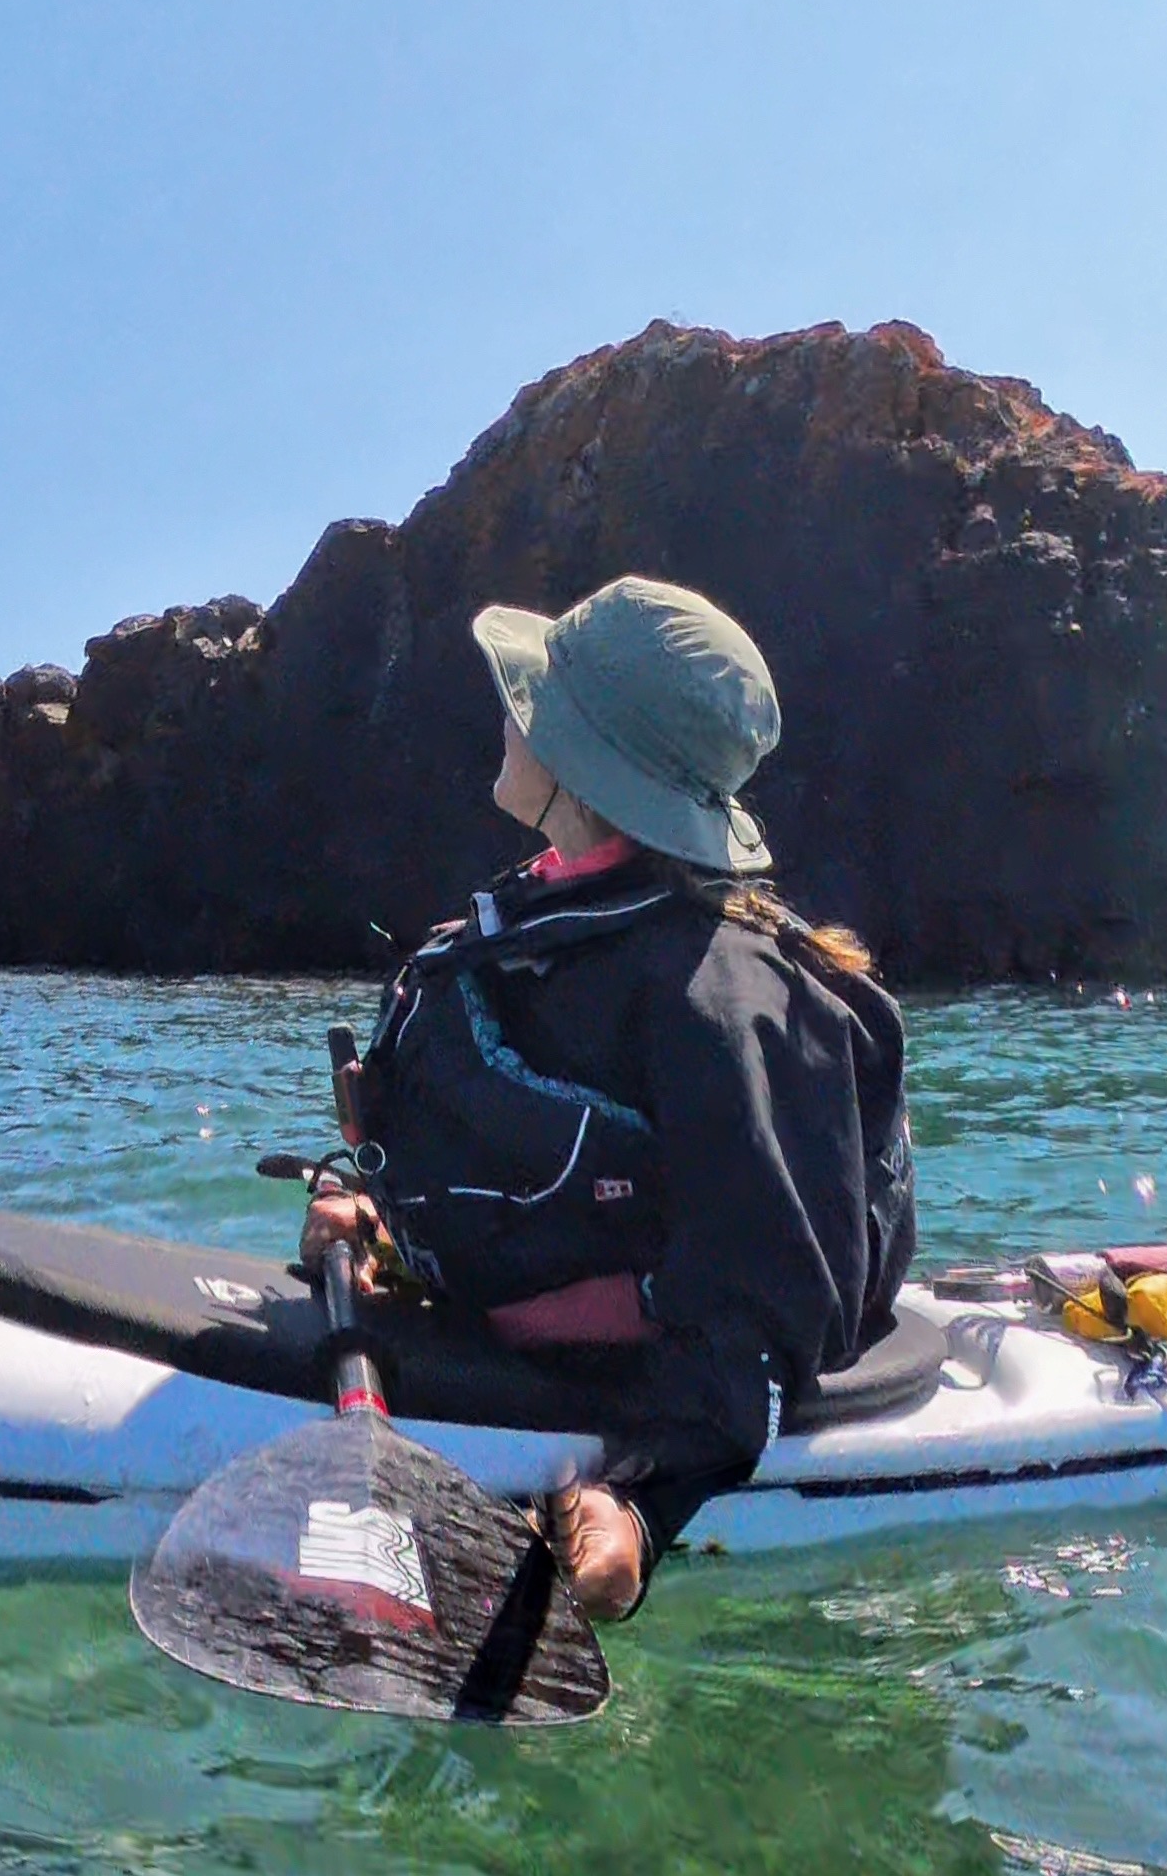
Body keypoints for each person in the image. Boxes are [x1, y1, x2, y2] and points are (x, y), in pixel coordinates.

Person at [304, 576, 913, 1621]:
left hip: (690, 1393)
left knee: (703, 1393)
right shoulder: (558, 918)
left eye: (532, 700)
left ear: (584, 761)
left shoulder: (724, 996)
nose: (506, 711)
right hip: (497, 1311)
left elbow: (766, 1297)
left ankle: (629, 1515)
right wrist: (391, 1233)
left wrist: (637, 1492)